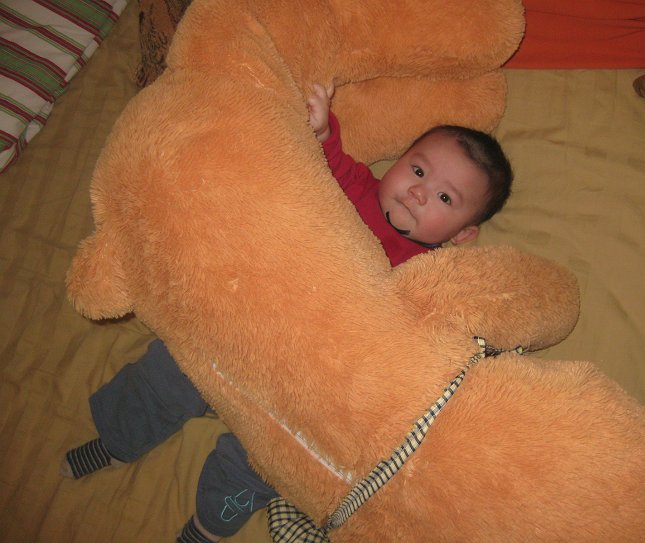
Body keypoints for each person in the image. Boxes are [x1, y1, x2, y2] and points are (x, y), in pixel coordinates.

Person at [61, 82, 513, 542]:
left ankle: (209, 526)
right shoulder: (355, 186)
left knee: (266, 463)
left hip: (300, 385)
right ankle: (115, 442)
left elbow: (429, 331)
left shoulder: (427, 273)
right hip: (244, 329)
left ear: (462, 235)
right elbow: (319, 160)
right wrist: (320, 129)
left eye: (445, 198)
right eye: (417, 170)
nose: (418, 192)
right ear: (397, 161)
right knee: (166, 370)